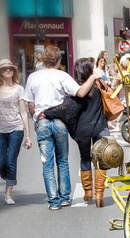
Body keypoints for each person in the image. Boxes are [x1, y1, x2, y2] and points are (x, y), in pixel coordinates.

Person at [23, 45, 99, 210]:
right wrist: (92, 78)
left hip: (42, 122)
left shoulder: (33, 77)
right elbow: (80, 93)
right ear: (58, 61)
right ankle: (65, 198)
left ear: (42, 60)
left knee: (47, 163)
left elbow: (30, 103)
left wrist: (36, 120)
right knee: (62, 161)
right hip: (59, 122)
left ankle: (53, 201)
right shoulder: (62, 76)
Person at [43, 58, 109, 207]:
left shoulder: (78, 90)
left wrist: (46, 113)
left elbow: (66, 109)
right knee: (101, 160)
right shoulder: (98, 85)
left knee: (85, 158)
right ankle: (100, 194)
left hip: (83, 130)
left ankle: (88, 193)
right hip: (100, 127)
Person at [0, 59, 33, 205]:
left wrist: (28, 135)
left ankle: (8, 194)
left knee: (11, 161)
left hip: (16, 128)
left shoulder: (19, 89)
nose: (8, 71)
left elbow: (23, 112)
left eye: (10, 69)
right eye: (4, 69)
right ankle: (7, 176)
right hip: (0, 129)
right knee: (2, 162)